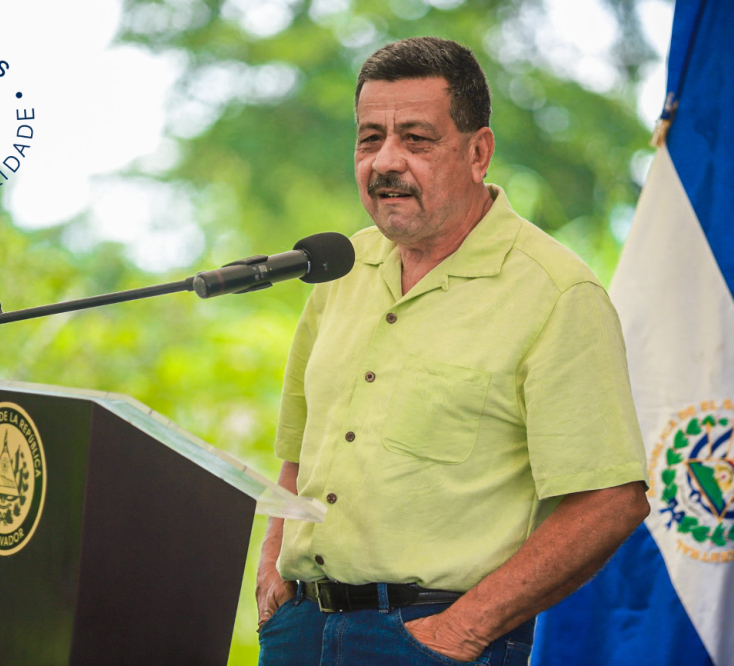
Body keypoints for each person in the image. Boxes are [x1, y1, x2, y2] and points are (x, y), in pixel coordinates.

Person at [256, 36, 650, 666]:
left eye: (417, 139)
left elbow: (610, 502)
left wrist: (461, 630)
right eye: (369, 139)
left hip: (432, 637)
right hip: (300, 629)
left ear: (478, 152)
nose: (386, 161)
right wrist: (273, 570)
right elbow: (297, 453)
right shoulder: (342, 269)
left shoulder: (555, 292)